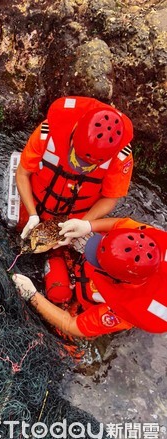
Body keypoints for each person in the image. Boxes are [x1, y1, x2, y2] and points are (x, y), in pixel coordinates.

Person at [12, 217, 167, 338]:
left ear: (116, 278)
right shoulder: (149, 241)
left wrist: (32, 295)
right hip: (115, 277)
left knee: (58, 295)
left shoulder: (126, 310)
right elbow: (119, 224)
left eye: (96, 259)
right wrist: (88, 226)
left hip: (108, 297)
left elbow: (71, 326)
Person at [16, 96, 134, 239]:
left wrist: (83, 224)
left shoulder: (121, 157)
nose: (80, 167)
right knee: (19, 235)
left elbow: (110, 198)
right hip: (33, 204)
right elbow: (23, 173)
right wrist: (32, 214)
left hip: (77, 218)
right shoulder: (48, 132)